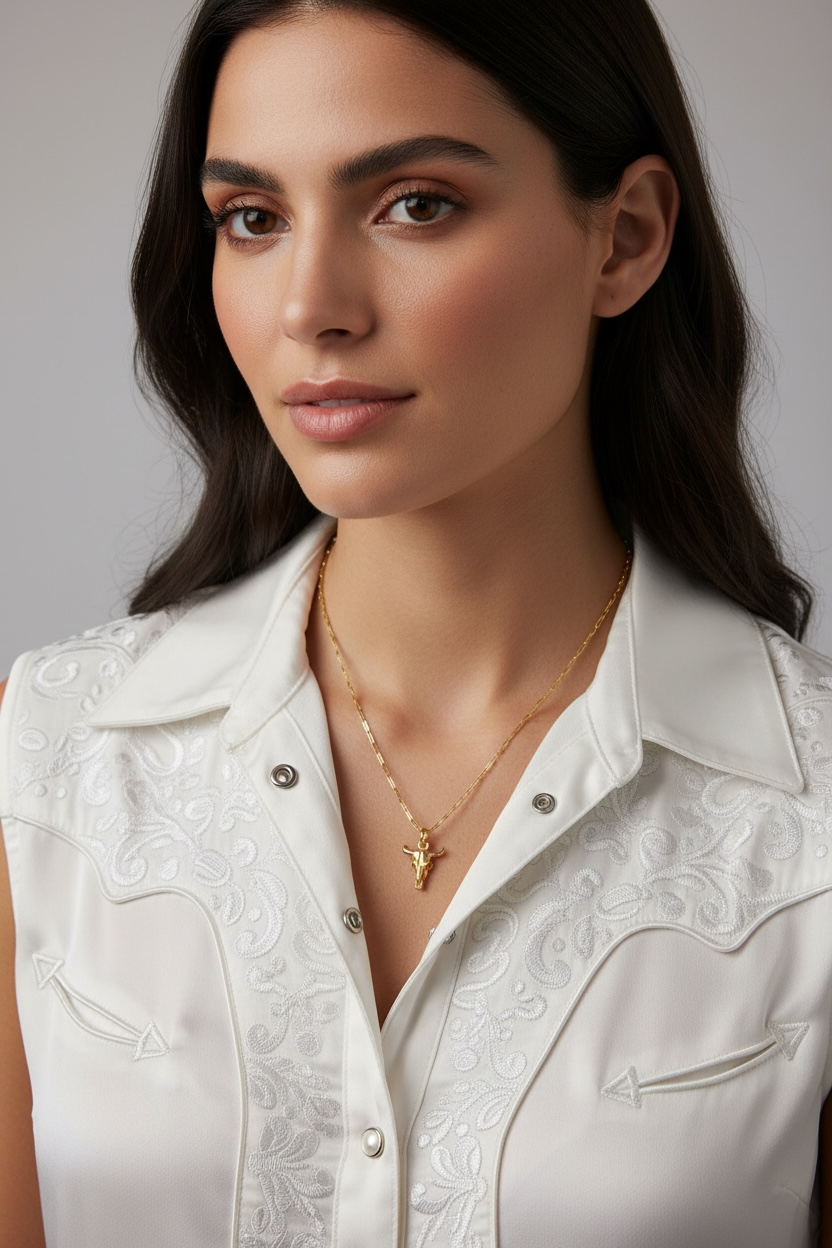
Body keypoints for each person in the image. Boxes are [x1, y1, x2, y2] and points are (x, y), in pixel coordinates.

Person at [1, 0, 830, 1243]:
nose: (311, 306)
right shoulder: (51, 761)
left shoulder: (809, 816)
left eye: (415, 204)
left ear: (627, 237)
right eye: (253, 218)